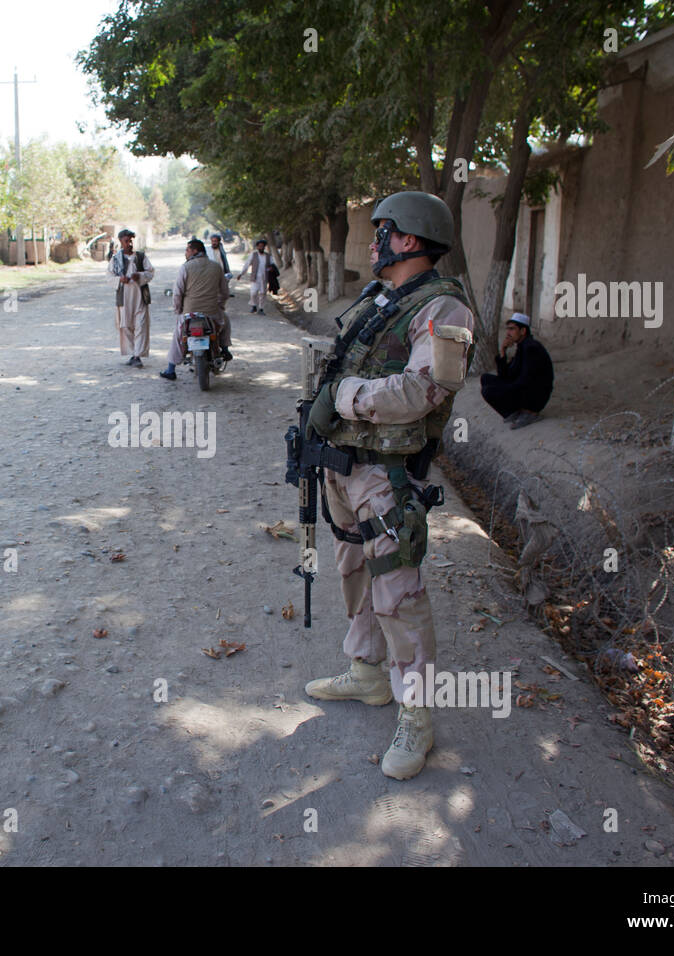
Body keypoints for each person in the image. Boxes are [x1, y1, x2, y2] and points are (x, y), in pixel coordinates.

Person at [303, 191, 475, 780]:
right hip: (345, 464)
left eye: (382, 231)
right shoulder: (381, 298)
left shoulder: (446, 311)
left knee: (398, 593)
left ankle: (417, 717)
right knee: (352, 569)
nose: (373, 241)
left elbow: (423, 392)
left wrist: (344, 398)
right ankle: (369, 673)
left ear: (409, 240)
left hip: (389, 474)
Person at [160, 238, 231, 380]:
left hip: (189, 313)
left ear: (195, 251)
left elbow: (178, 292)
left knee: (178, 336)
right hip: (212, 312)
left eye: (187, 250)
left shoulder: (185, 267)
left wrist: (178, 310)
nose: (185, 253)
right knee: (226, 322)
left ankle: (171, 369)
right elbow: (224, 292)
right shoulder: (216, 267)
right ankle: (225, 349)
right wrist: (220, 305)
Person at [480, 312, 553, 429]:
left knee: (489, 391)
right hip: (523, 389)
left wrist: (503, 390)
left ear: (523, 331)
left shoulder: (531, 348)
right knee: (486, 379)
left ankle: (529, 413)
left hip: (534, 397)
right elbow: (506, 375)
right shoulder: (522, 346)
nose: (508, 333)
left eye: (512, 329)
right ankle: (516, 412)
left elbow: (526, 381)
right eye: (508, 329)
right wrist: (503, 351)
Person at [109, 228, 154, 367]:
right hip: (124, 298)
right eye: (126, 241)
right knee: (126, 326)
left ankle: (138, 355)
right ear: (121, 242)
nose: (129, 244)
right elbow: (109, 276)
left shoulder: (140, 257)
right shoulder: (115, 259)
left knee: (141, 326)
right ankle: (133, 353)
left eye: (131, 241)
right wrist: (120, 279)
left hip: (140, 297)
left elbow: (150, 272)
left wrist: (139, 276)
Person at [236, 238, 272, 314]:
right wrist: (241, 274)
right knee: (253, 293)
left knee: (263, 293)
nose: (261, 247)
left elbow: (273, 265)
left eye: (262, 246)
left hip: (264, 278)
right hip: (255, 278)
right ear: (257, 247)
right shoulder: (253, 255)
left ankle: (261, 308)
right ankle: (254, 306)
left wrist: (271, 268)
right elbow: (247, 264)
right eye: (259, 246)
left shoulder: (268, 256)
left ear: (264, 247)